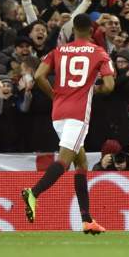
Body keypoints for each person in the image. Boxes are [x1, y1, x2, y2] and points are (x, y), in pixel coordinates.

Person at [21, 13, 115, 234]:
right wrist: (93, 89)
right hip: (78, 114)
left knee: (81, 164)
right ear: (91, 31)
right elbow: (110, 85)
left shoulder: (58, 50)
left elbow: (38, 76)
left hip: (58, 113)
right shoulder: (99, 52)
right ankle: (33, 192)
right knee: (64, 161)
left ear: (73, 30)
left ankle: (87, 219)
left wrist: (55, 96)